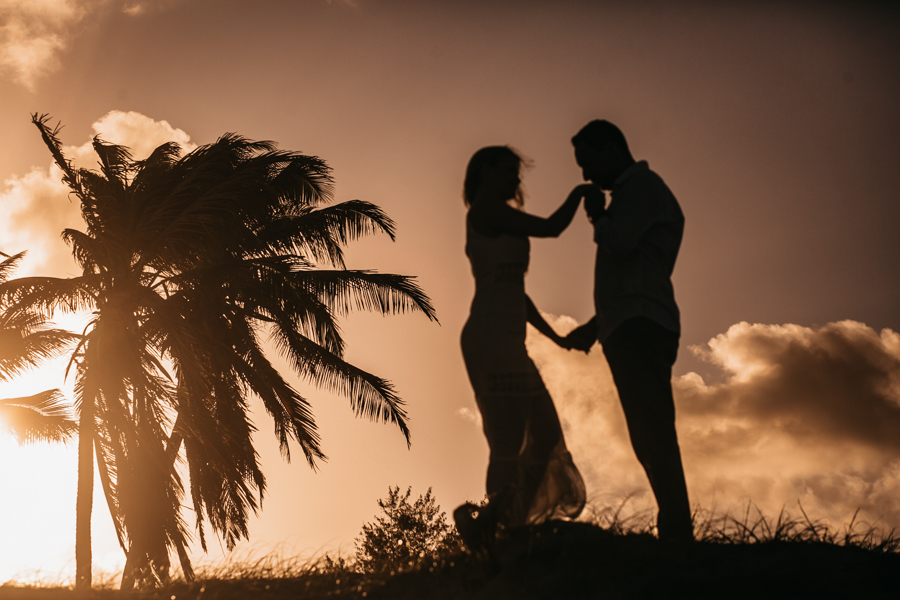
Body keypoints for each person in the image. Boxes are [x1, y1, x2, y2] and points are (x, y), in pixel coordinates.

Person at [565, 120, 693, 542]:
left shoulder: (642, 189)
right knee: (646, 430)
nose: (587, 175)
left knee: (652, 429)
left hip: (641, 324)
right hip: (630, 323)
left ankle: (677, 530)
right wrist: (597, 324)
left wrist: (596, 215)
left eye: (588, 162)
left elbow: (619, 243)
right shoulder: (633, 193)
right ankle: (674, 525)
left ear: (610, 149)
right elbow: (632, 275)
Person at [455, 146, 589, 550]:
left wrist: (557, 338)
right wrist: (580, 193)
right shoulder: (485, 210)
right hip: (489, 337)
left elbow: (516, 292)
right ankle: (495, 532)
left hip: (508, 338)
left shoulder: (498, 215)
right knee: (507, 443)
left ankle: (510, 523)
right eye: (509, 172)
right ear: (486, 172)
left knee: (545, 434)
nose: (516, 180)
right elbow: (551, 227)